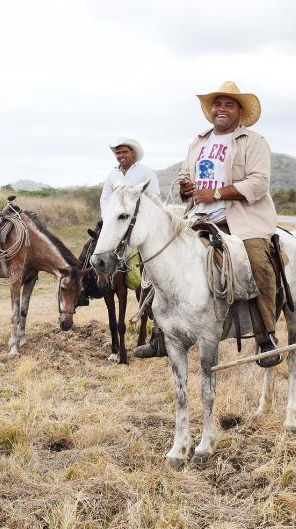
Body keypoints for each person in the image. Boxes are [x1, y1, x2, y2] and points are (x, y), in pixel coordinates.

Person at [137, 81, 282, 365]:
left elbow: (259, 183)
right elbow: (184, 175)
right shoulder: (199, 141)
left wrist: (215, 193)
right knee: (157, 260)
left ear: (240, 111)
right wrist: (186, 188)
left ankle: (266, 337)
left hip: (241, 221)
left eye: (229, 104)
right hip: (199, 218)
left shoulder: (253, 142)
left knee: (256, 262)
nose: (221, 109)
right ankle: (160, 333)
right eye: (217, 104)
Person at [100, 138, 161, 210]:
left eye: (125, 152)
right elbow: (105, 199)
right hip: (116, 218)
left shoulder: (147, 172)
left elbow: (155, 197)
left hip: (141, 217)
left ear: (133, 153)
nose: (121, 155)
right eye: (118, 153)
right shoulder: (112, 175)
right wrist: (106, 216)